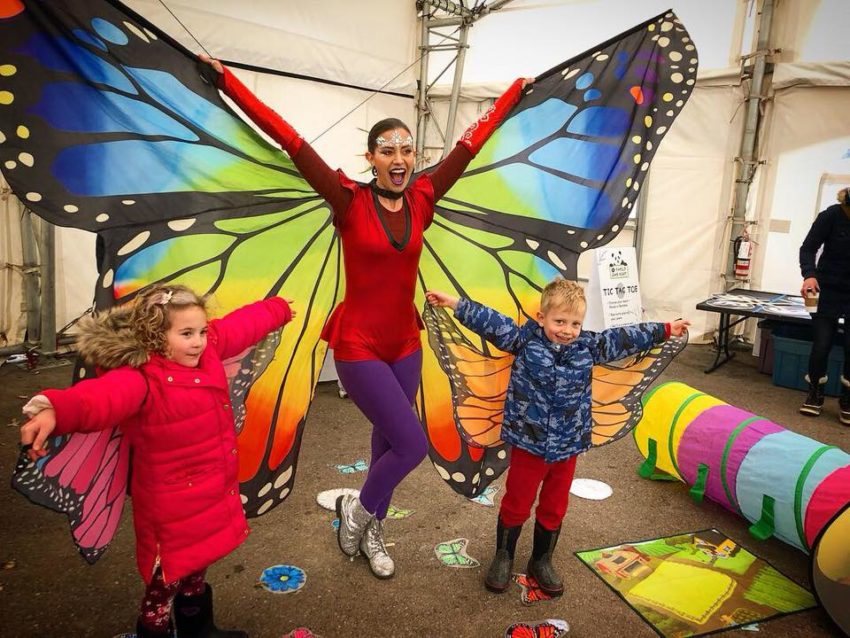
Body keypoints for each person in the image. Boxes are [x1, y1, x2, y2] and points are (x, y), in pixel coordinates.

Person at [198, 54, 533, 579]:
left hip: (405, 342)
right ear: (371, 158)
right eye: (387, 150)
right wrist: (226, 82)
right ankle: (357, 513)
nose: (398, 157)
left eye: (406, 149)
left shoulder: (424, 196)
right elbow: (289, 138)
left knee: (386, 445)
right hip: (357, 345)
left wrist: (514, 91)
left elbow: (470, 144)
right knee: (413, 445)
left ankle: (368, 525)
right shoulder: (347, 200)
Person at [19, 285, 294, 638]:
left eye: (201, 331)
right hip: (170, 509)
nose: (198, 342)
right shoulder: (142, 379)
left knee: (198, 565)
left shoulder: (207, 352)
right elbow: (98, 399)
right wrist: (55, 410)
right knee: (162, 589)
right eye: (186, 334)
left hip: (210, 492)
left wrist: (276, 309)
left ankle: (199, 629)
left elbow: (239, 325)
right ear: (156, 336)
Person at [426, 279, 689, 596]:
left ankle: (541, 560)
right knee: (517, 502)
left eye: (575, 323)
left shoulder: (588, 346)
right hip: (528, 443)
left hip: (568, 446)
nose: (567, 330)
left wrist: (664, 328)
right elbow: (491, 321)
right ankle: (504, 555)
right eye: (559, 321)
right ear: (541, 317)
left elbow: (624, 338)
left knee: (554, 505)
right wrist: (455, 303)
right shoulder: (522, 340)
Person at [799, 186, 850, 424]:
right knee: (821, 345)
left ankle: (847, 400)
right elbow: (808, 248)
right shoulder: (831, 215)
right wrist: (809, 275)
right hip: (826, 288)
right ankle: (815, 394)